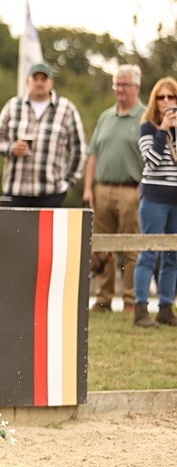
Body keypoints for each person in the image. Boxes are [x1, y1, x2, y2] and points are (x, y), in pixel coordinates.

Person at [83, 65, 146, 314]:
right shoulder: (105, 117)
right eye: (116, 84)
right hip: (102, 188)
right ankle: (103, 298)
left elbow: (153, 157)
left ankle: (130, 300)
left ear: (136, 87)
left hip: (131, 190)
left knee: (131, 246)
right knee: (102, 246)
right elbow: (93, 155)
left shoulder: (145, 117)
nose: (119, 89)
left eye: (124, 84)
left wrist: (144, 187)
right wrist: (88, 188)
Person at [0, 62, 87, 208]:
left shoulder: (67, 109)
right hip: (15, 190)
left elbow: (79, 149)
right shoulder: (13, 106)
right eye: (35, 79)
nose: (39, 83)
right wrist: (10, 148)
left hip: (51, 193)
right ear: (28, 81)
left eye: (44, 79)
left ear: (51, 82)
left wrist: (68, 182)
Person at [132, 77, 177, 328]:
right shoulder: (147, 127)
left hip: (175, 200)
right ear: (154, 101)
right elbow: (152, 160)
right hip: (154, 198)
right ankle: (140, 309)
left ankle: (166, 308)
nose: (167, 101)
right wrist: (163, 129)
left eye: (171, 97)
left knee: (173, 255)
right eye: (162, 97)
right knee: (149, 252)